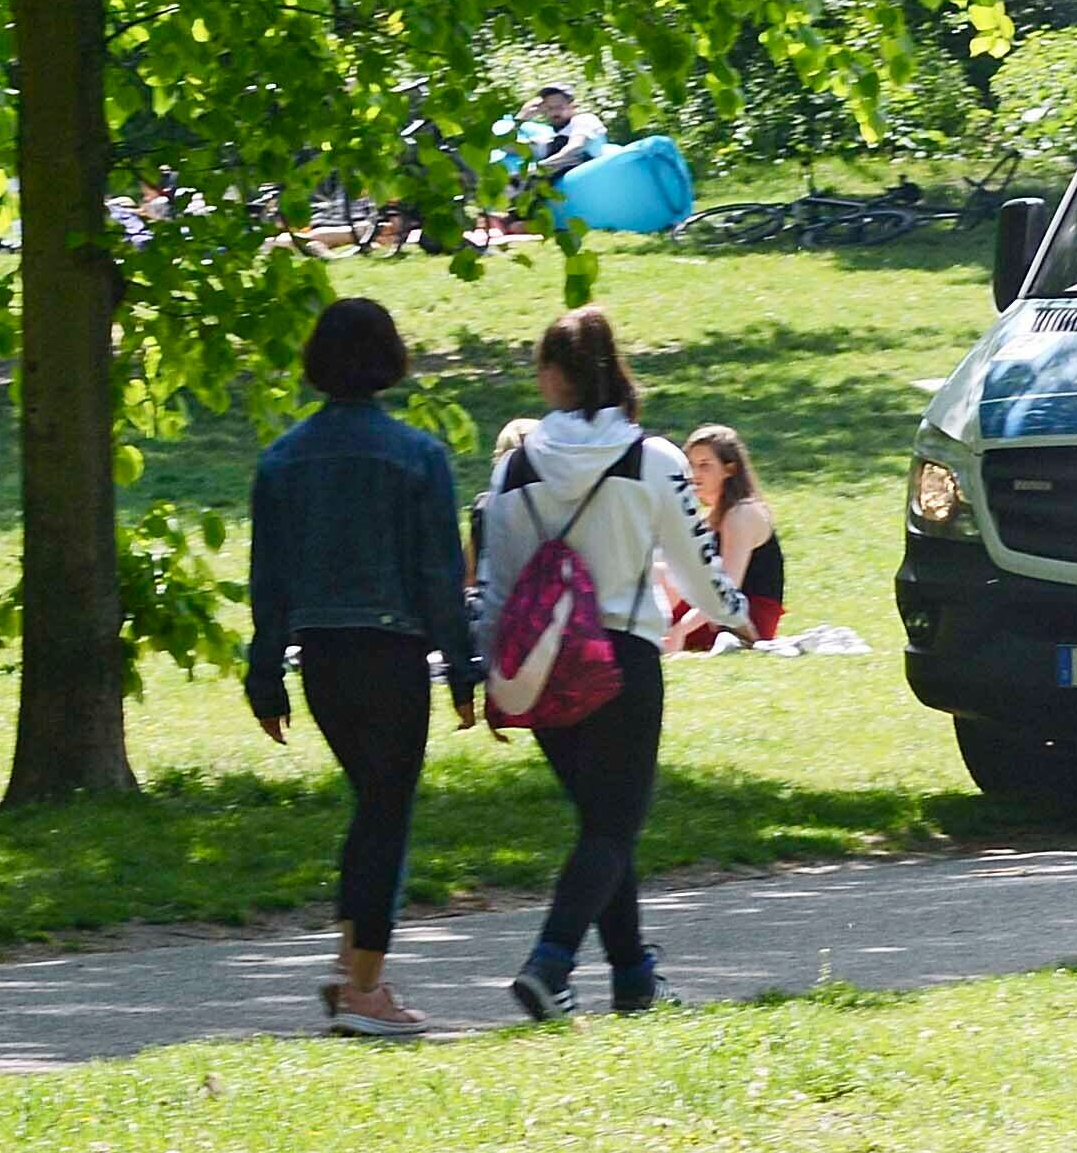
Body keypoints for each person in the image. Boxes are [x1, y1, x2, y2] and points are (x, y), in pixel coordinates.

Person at [471, 306, 740, 1021]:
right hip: (622, 654)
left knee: (602, 821)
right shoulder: (653, 459)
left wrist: (493, 674)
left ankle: (632, 977)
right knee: (614, 826)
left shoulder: (514, 465)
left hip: (541, 659)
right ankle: (550, 962)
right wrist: (736, 612)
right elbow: (697, 560)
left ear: (553, 376)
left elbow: (497, 581)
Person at [245, 297, 482, 1040]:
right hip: (393, 650)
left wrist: (264, 673)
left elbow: (268, 579)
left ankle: (353, 965)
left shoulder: (282, 459)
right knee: (387, 811)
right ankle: (366, 986)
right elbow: (440, 574)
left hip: (320, 653)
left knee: (370, 805)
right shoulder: (419, 456)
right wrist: (465, 669)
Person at [666, 424, 786, 649]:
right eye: (691, 465)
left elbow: (727, 592)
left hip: (744, 620)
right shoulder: (711, 515)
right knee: (660, 570)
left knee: (660, 576)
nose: (694, 475)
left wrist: (680, 628)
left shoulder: (742, 514)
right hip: (711, 612)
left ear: (729, 469)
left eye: (705, 466)